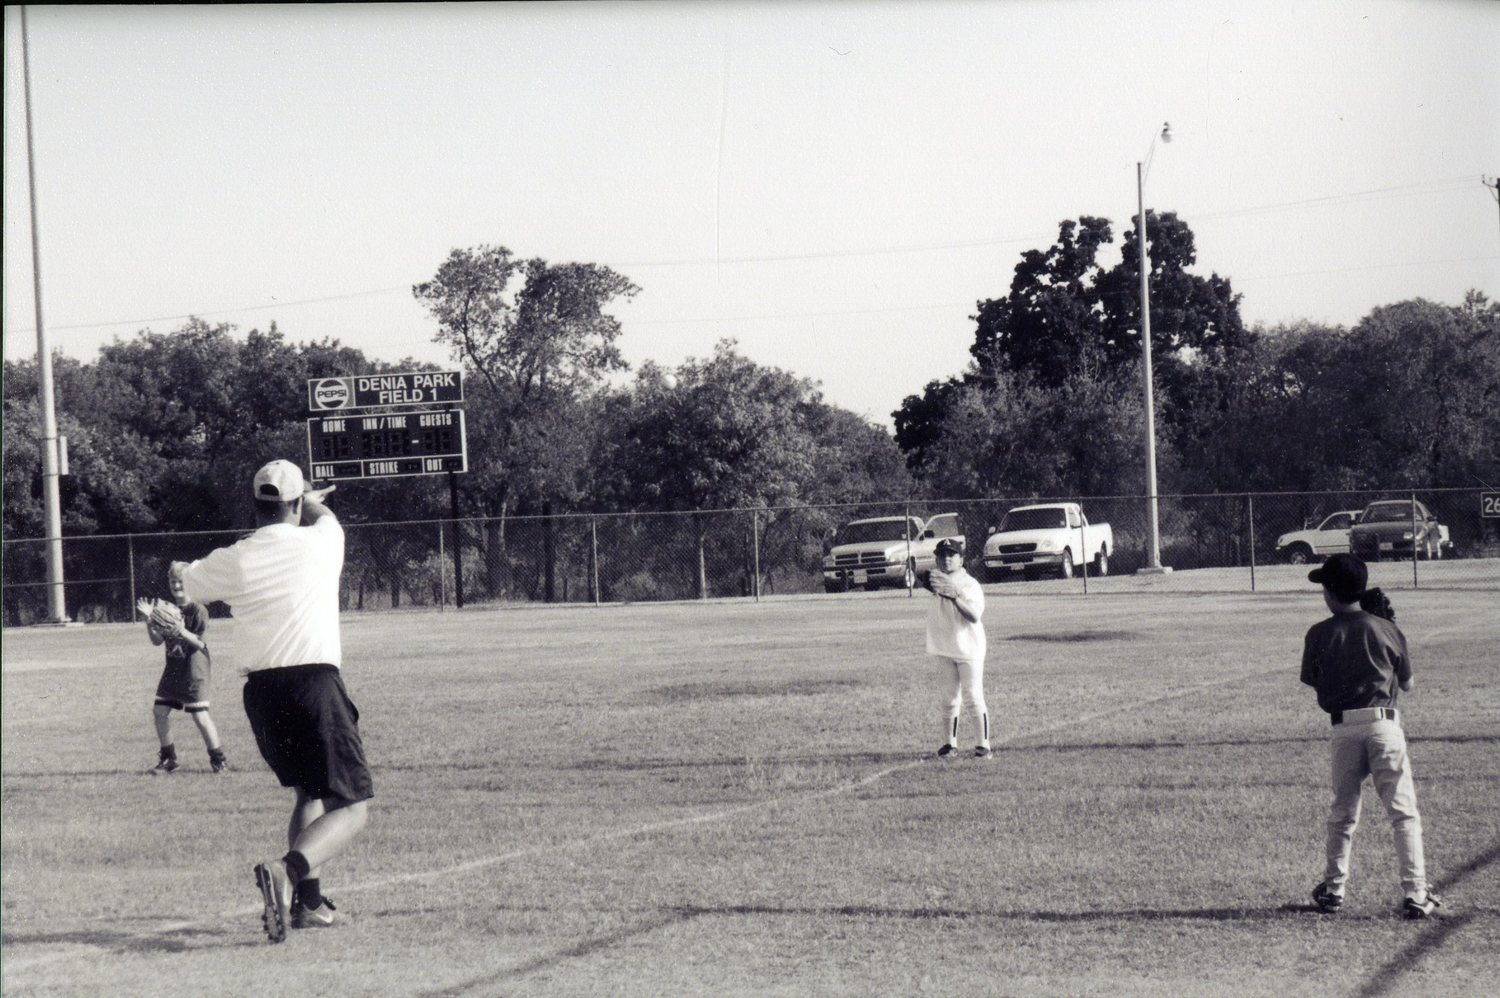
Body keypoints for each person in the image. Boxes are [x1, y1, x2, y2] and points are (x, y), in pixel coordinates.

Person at [170, 459, 372, 943]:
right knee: (352, 806)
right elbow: (323, 518)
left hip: (261, 693)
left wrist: (178, 571)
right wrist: (317, 500)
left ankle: (311, 904)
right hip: (314, 683)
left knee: (308, 793)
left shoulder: (237, 557)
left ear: (255, 505)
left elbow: (185, 581)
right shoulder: (322, 542)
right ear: (296, 503)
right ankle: (288, 870)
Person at [1301, 553, 1441, 920]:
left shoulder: (1318, 633)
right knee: (1402, 813)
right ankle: (1415, 892)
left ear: (1330, 592)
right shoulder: (1387, 629)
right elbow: (1408, 684)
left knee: (1343, 812)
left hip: (1344, 728)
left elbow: (1316, 680)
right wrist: (1386, 632)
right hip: (1385, 726)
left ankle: (1333, 890)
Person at [142, 597, 229, 775]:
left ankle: (219, 761)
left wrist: (180, 629)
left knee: (200, 716)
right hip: (173, 668)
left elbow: (200, 643)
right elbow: (157, 641)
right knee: (159, 712)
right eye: (173, 582)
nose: (176, 585)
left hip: (194, 669)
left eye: (180, 581)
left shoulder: (198, 610)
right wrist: (149, 621)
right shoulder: (168, 608)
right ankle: (169, 759)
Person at [923, 537, 992, 758]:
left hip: (969, 648)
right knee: (949, 698)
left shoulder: (970, 585)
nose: (946, 559)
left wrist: (954, 596)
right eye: (942, 555)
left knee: (972, 696)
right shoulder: (938, 581)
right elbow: (920, 575)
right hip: (945, 647)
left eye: (951, 555)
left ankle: (983, 745)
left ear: (961, 560)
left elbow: (973, 616)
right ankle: (949, 744)